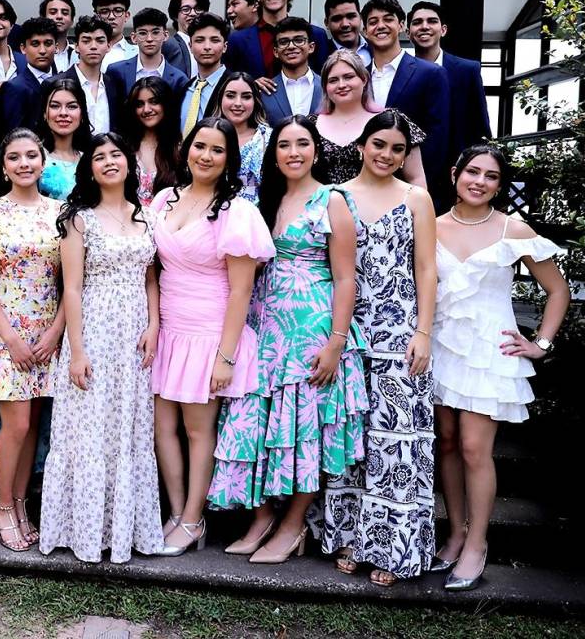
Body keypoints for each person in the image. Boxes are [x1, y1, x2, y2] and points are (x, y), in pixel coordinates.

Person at [206, 116, 366, 564]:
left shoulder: (332, 200)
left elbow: (346, 277)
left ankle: (293, 525)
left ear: (316, 150)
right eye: (284, 145)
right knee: (253, 426)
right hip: (263, 327)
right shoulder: (263, 201)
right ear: (272, 153)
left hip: (311, 328)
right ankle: (262, 518)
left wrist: (336, 342)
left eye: (302, 144)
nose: (293, 152)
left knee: (303, 432)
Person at [431, 145, 569, 591]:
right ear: (455, 174)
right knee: (446, 444)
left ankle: (477, 543)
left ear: (499, 184)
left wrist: (541, 344)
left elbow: (558, 290)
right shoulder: (430, 226)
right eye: (472, 172)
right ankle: (453, 534)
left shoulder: (513, 228)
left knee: (474, 448)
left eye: (491, 176)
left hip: (490, 351)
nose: (479, 182)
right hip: (441, 344)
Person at [309, 111, 438, 587]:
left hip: (400, 334)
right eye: (379, 144)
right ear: (362, 145)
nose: (386, 155)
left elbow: (426, 269)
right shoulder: (335, 196)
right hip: (346, 332)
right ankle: (349, 536)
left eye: (397, 149)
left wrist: (422, 331)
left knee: (396, 442)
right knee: (352, 438)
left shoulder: (416, 198)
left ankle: (392, 545)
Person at [150, 117, 275, 556]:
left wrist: (226, 356)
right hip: (168, 328)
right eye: (199, 146)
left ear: (229, 160)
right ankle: (176, 511)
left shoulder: (236, 211)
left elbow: (241, 289)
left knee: (198, 430)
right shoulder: (164, 199)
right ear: (186, 150)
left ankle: (193, 519)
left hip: (209, 332)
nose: (206, 155)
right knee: (161, 427)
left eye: (217, 150)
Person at [39, 132, 164, 563]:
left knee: (127, 427)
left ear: (128, 163)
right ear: (88, 167)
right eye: (100, 157)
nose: (109, 161)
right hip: (94, 327)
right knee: (89, 427)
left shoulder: (144, 214)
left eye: (116, 154)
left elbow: (151, 276)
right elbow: (70, 288)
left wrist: (154, 323)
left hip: (134, 337)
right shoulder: (78, 218)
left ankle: (123, 531)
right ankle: (83, 532)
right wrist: (76, 350)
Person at [0, 128, 65, 552]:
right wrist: (11, 339)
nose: (24, 163)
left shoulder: (61, 213)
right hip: (7, 335)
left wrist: (55, 332)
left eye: (31, 156)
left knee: (33, 425)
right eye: (15, 157)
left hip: (47, 335)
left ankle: (20, 504)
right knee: (16, 423)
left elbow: (72, 280)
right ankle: (2, 505)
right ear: (3, 167)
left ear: (43, 162)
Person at [407, 1, 492, 208]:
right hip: (414, 173)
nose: (424, 26)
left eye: (432, 21)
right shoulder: (403, 72)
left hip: (456, 174)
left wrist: (473, 173)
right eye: (417, 22)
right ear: (409, 32)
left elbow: (480, 126)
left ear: (443, 29)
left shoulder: (467, 70)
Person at [361, 0, 450, 189]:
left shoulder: (431, 73)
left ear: (401, 26)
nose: (380, 26)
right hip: (366, 182)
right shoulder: (359, 78)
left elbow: (437, 137)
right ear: (365, 31)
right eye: (373, 22)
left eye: (388, 19)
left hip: (412, 184)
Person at [313, 50, 428, 188]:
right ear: (325, 86)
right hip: (323, 207)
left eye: (348, 77)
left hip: (381, 206)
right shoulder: (310, 125)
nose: (341, 85)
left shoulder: (392, 120)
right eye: (333, 80)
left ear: (364, 79)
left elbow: (416, 178)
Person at [223, 0, 329, 78]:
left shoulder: (316, 35)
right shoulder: (237, 40)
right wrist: (250, 84)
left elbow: (324, 81)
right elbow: (228, 82)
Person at [203, 71, 271, 203]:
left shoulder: (267, 137)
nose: (238, 103)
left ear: (255, 101)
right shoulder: (206, 136)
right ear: (220, 98)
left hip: (256, 216)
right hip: (212, 213)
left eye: (246, 97)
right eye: (230, 96)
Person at [106, 7, 189, 110]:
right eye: (142, 33)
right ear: (134, 37)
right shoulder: (116, 71)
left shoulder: (179, 79)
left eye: (155, 32)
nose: (149, 39)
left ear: (165, 35)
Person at [117, 77, 181, 205]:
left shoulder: (179, 148)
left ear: (166, 104)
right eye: (140, 104)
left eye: (154, 102)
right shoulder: (122, 146)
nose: (146, 109)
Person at [57, 15, 116, 135]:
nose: (93, 46)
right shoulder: (56, 83)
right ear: (76, 46)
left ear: (109, 46)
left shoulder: (114, 85)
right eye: (86, 40)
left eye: (100, 41)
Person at [0, 17, 58, 134]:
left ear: (56, 47)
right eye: (35, 44)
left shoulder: (63, 81)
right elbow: (13, 135)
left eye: (48, 43)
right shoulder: (14, 87)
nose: (42, 50)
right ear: (23, 48)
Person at [260, 17, 324, 126]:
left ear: (311, 47)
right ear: (275, 51)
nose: (291, 46)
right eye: (284, 42)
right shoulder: (264, 90)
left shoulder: (327, 87)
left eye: (298, 40)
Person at [37, 78, 92, 200]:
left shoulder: (90, 159)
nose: (63, 113)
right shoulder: (34, 157)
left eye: (71, 107)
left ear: (82, 113)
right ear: (45, 114)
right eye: (55, 106)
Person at [180, 13, 230, 136]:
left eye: (214, 40)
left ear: (224, 46)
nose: (207, 47)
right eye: (199, 40)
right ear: (190, 46)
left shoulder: (234, 85)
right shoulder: (184, 89)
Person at [162, 0, 210, 78]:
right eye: (186, 9)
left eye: (198, 9)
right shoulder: (168, 44)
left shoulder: (212, 45)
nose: (193, 14)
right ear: (176, 16)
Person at [324, 0, 372, 68]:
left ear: (360, 17)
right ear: (326, 23)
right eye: (337, 19)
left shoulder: (377, 49)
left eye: (351, 16)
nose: (345, 24)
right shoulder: (318, 56)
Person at [93, 0, 137, 70]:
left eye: (118, 11)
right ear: (96, 16)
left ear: (126, 16)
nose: (112, 17)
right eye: (105, 11)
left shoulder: (138, 52)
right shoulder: (81, 51)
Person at [40, 0, 77, 72]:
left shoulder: (78, 55)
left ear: (72, 21)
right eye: (53, 12)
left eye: (65, 13)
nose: (59, 16)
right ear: (43, 18)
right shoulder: (34, 54)